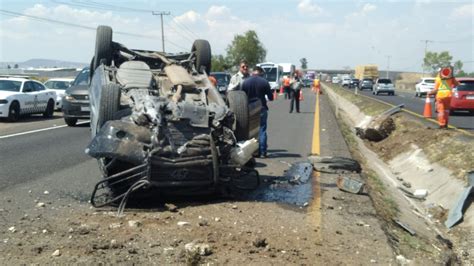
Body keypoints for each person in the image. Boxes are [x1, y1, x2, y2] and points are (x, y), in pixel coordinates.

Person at [241, 66, 273, 158]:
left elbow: (242, 96)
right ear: (260, 72)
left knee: (251, 131)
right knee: (262, 130)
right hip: (262, 107)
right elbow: (271, 97)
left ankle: (253, 152)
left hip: (250, 108)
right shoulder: (264, 82)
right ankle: (263, 152)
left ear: (253, 72)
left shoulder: (246, 82)